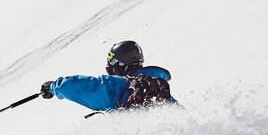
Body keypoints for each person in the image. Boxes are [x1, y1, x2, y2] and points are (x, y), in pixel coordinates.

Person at [40, 40, 174, 112]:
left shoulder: (119, 85)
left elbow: (78, 87)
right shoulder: (163, 93)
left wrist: (52, 87)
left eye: (111, 69)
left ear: (119, 66)